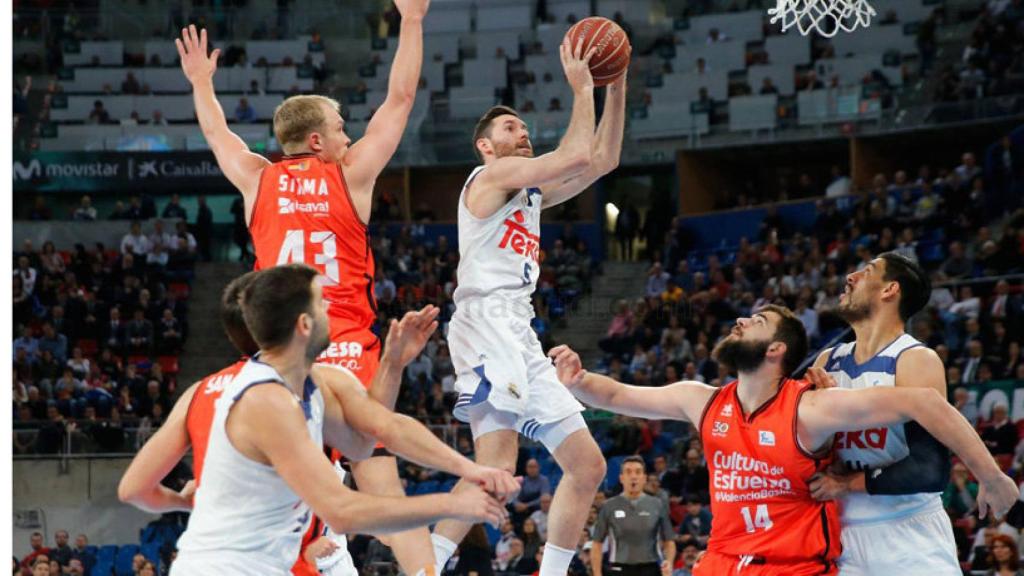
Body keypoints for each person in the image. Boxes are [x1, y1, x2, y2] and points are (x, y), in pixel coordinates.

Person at [176, 6, 441, 572]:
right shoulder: (351, 174)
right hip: (344, 343)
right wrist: (413, 21)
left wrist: (202, 83)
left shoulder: (256, 178)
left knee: (290, 492)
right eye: (343, 129)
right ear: (318, 139)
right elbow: (399, 101)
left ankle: (319, 553)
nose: (351, 136)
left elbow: (216, 133)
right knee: (380, 486)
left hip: (283, 357)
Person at [548, 304, 1018, 575]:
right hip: (720, 561)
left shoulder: (810, 409)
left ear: (776, 350)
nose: (740, 322)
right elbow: (619, 394)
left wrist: (992, 478)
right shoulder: (702, 399)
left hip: (791, 566)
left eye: (756, 321)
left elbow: (927, 404)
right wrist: (578, 378)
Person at [119, 269, 517, 575]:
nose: (332, 309)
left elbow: (370, 439)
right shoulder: (266, 400)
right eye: (322, 303)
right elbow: (341, 511)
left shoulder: (312, 385)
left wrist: (471, 469)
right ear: (304, 325)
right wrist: (454, 504)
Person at [431, 32, 627, 576]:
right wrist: (582, 87)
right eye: (510, 128)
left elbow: (603, 159)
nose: (523, 133)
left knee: (587, 466)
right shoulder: (490, 177)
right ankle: (420, 564)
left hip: (519, 330)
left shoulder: (529, 193)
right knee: (496, 466)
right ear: (486, 147)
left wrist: (617, 80)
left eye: (523, 126)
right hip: (485, 322)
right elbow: (579, 151)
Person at [808, 252, 972, 575]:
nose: (850, 277)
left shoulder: (914, 360)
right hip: (843, 537)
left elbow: (928, 469)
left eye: (867, 272)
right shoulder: (825, 363)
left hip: (910, 536)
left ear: (889, 290)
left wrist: (847, 484)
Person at [590, 456, 675, 576]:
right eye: (628, 472)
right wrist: (597, 574)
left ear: (644, 478)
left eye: (638, 472)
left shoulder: (657, 504)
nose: (633, 476)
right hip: (618, 569)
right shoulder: (609, 506)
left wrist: (669, 562)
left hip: (650, 569)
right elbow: (597, 544)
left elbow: (669, 541)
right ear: (621, 478)